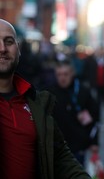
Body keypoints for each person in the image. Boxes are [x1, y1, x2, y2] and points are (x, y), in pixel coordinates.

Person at [0, 19, 91, 179]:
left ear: (19, 50)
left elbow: (60, 156)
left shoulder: (36, 102)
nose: (2, 49)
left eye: (8, 42)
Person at [49, 59, 100, 166]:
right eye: (59, 75)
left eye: (65, 74)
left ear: (72, 73)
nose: (62, 78)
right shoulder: (49, 93)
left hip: (78, 146)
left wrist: (94, 142)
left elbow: (95, 118)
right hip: (56, 147)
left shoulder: (83, 91)